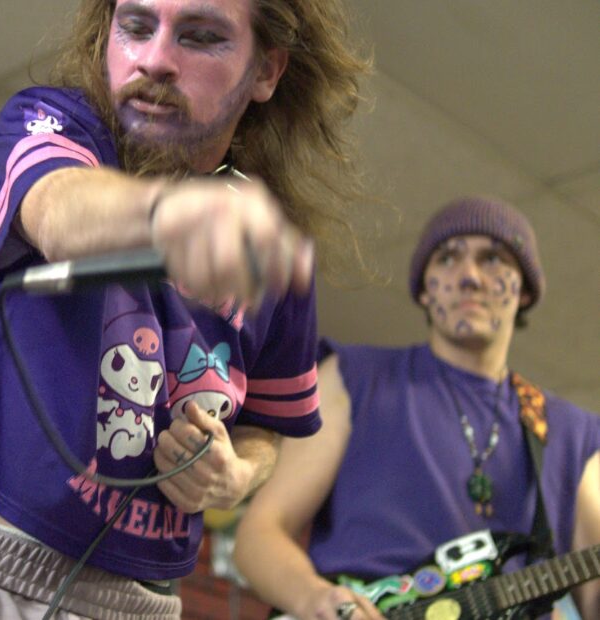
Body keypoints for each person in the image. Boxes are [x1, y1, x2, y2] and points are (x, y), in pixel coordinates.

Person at [0, 0, 370, 618]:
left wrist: (234, 474)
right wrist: (171, 217)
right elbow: (61, 208)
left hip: (139, 604)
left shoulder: (266, 241)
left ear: (266, 72)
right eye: (136, 26)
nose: (154, 60)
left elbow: (265, 428)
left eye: (200, 37)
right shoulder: (52, 123)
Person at [234, 196, 600, 620]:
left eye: (493, 259)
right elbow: (260, 534)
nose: (469, 277)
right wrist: (315, 599)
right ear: (424, 290)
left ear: (525, 290)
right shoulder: (356, 378)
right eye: (448, 258)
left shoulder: (572, 436)